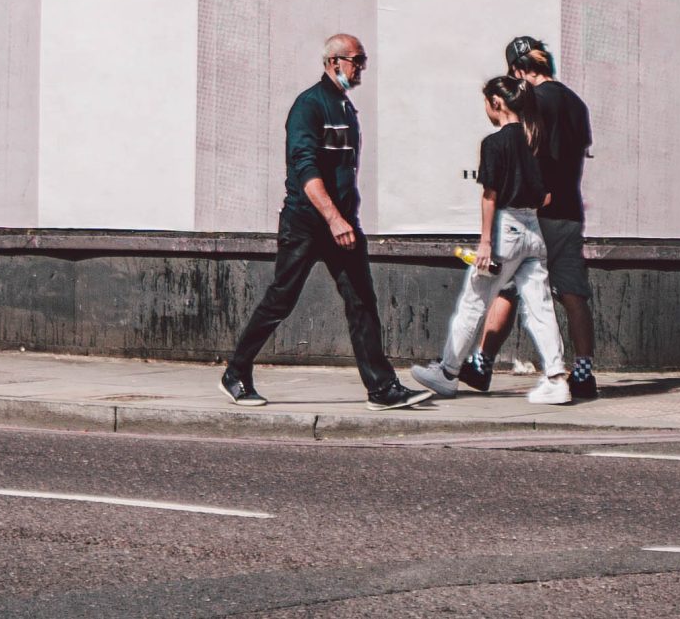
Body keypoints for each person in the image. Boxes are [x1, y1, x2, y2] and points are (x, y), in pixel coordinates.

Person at [221, 34, 433, 411]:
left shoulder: (345, 108)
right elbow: (306, 169)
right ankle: (236, 373)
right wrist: (334, 218)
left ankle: (382, 390)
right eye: (357, 60)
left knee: (362, 302)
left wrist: (345, 217)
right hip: (306, 223)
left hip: (342, 224)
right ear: (334, 61)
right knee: (280, 301)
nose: (362, 67)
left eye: (363, 60)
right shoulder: (309, 106)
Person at [411, 75, 572, 406]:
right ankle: (557, 378)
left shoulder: (493, 143)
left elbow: (489, 196)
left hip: (505, 229)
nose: (485, 108)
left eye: (486, 102)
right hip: (533, 230)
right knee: (540, 306)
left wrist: (485, 243)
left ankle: (447, 372)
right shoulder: (535, 140)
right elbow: (546, 197)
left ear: (496, 103)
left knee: (474, 302)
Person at [466, 36, 598, 400]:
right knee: (573, 292)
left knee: (506, 288)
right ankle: (584, 373)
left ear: (519, 72)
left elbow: (521, 150)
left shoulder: (530, 102)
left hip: (533, 213)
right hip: (569, 213)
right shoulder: (576, 104)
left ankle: (482, 365)